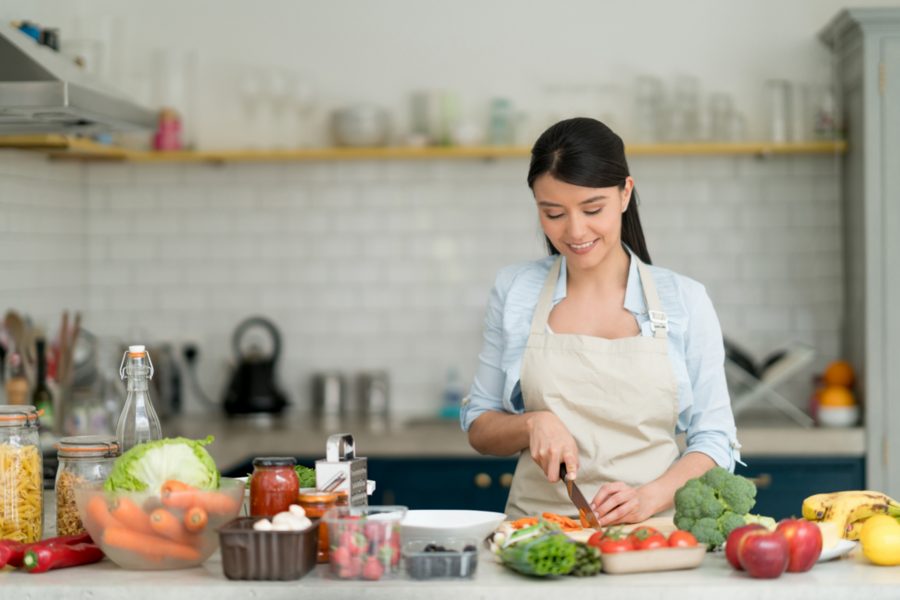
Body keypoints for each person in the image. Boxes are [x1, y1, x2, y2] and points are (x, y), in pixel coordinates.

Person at [460, 117, 741, 525]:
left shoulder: (684, 300)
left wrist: (649, 498)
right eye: (553, 213)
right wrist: (531, 424)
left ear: (625, 193)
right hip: (539, 538)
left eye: (593, 209)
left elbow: (715, 440)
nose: (575, 231)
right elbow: (480, 426)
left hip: (652, 536)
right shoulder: (516, 290)